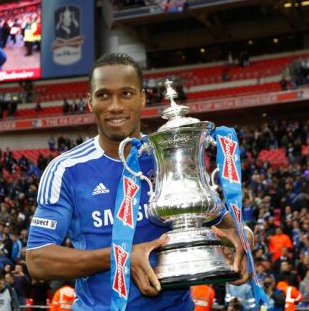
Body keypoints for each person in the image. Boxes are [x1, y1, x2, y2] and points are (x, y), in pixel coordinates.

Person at [26, 53, 252, 310]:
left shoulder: (170, 157)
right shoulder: (66, 170)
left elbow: (235, 229)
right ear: (90, 102)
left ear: (143, 97)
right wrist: (123, 257)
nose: (115, 106)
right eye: (103, 95)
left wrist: (241, 242)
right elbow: (38, 260)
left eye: (126, 93)